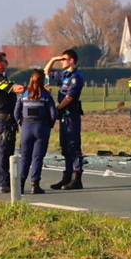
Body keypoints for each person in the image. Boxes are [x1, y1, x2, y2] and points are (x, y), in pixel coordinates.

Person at [44, 49, 85, 190]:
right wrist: (54, 59)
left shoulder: (76, 76)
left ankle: (77, 178)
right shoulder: (64, 75)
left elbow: (70, 97)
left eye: (64, 59)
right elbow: (46, 71)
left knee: (73, 146)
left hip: (71, 114)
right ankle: (66, 177)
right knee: (65, 147)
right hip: (64, 116)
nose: (62, 62)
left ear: (72, 60)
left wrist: (57, 109)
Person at [13, 68, 58, 194]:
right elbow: (53, 113)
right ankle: (35, 185)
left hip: (27, 127)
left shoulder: (24, 95)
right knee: (37, 157)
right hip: (41, 127)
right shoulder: (46, 95)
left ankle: (21, 185)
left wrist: (21, 123)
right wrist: (50, 125)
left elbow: (16, 112)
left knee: (25, 157)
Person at [0, 52, 24, 193]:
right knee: (4, 151)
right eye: (5, 61)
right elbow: (16, 88)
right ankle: (4, 183)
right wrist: (34, 89)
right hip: (4, 119)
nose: (7, 64)